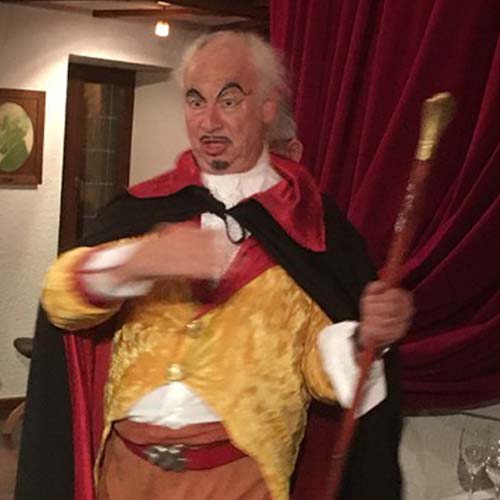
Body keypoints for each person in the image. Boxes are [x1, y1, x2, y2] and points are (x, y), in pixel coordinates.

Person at [16, 31, 413, 500]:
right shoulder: (144, 209)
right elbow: (60, 302)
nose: (208, 121)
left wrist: (366, 339)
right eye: (195, 100)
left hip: (238, 481)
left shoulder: (310, 227)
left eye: (229, 99)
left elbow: (319, 372)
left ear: (267, 107)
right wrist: (135, 264)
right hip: (125, 474)